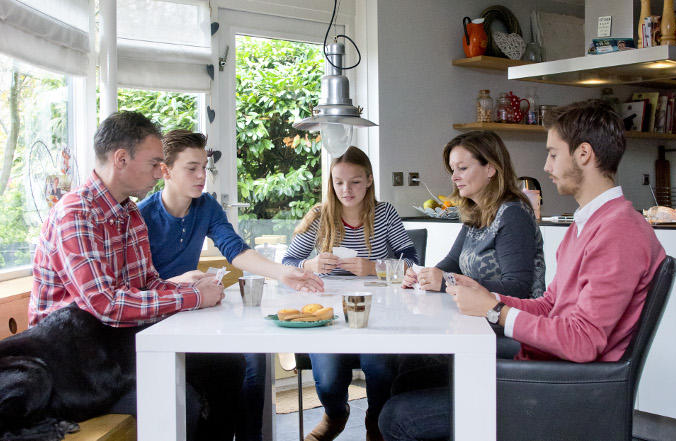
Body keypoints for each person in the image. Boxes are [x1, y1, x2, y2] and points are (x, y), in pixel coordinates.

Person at [378, 100, 667, 441]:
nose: (545, 166)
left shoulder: (619, 231)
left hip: (566, 388)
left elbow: (584, 342)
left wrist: (495, 311)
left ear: (584, 154)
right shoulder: (587, 225)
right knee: (410, 378)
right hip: (551, 367)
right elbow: (548, 305)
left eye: (553, 154)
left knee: (398, 417)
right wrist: (488, 299)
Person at [32, 112, 236, 441]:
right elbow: (106, 304)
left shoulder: (128, 212)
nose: (161, 171)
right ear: (122, 159)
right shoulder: (76, 215)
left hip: (114, 351)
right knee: (181, 402)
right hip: (72, 368)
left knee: (227, 367)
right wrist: (193, 297)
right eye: (155, 163)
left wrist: (185, 286)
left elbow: (147, 284)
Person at [138, 129, 323, 441]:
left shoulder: (206, 206)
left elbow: (236, 250)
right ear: (166, 171)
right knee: (231, 368)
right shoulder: (142, 216)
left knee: (253, 361)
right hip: (157, 322)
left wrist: (282, 272)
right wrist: (179, 281)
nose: (202, 176)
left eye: (204, 168)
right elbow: (135, 287)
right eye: (191, 168)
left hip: (192, 312)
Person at [282, 146, 418, 441]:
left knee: (379, 367)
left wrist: (372, 268)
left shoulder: (384, 214)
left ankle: (376, 420)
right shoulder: (319, 216)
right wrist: (311, 263)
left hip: (378, 311)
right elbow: (288, 264)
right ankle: (336, 414)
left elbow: (412, 260)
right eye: (339, 182)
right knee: (329, 380)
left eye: (355, 181)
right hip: (327, 313)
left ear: (369, 180)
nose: (347, 189)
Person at [402, 130, 545, 299]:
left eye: (462, 168)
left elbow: (518, 288)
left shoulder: (513, 215)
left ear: (490, 169)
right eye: (453, 170)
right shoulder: (477, 212)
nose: (454, 177)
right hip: (480, 316)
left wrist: (447, 282)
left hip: (506, 321)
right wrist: (424, 276)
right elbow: (453, 262)